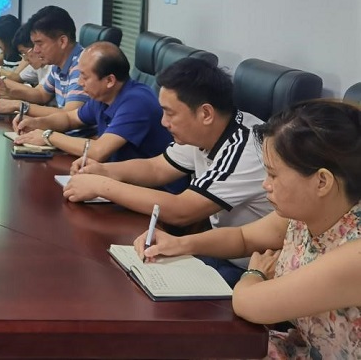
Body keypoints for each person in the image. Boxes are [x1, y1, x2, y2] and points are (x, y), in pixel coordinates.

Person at [134, 100, 361, 359]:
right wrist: (181, 243)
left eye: (273, 175)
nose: (266, 185)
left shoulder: (354, 254)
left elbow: (249, 304)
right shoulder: (305, 215)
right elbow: (243, 237)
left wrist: (254, 273)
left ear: (322, 182)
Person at [64, 57, 271, 283]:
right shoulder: (206, 131)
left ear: (206, 114)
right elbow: (156, 168)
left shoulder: (246, 148)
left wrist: (102, 187)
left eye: (170, 113)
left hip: (251, 268)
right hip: (218, 249)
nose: (163, 122)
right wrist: (104, 170)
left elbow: (183, 210)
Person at [14, 42, 173, 165]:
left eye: (85, 77)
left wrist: (48, 136)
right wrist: (37, 123)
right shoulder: (103, 96)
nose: (80, 82)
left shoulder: (137, 102)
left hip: (152, 190)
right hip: (117, 176)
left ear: (109, 80)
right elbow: (70, 118)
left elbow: (98, 151)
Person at [0, 6, 86, 117]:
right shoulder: (58, 64)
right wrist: (7, 89)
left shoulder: (82, 66)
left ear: (62, 42)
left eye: (40, 44)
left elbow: (70, 115)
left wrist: (19, 106)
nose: (35, 50)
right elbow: (41, 94)